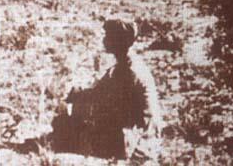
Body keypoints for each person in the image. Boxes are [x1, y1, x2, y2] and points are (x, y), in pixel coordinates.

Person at [50, 18, 164, 160]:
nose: (105, 40)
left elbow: (150, 118)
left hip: (135, 141)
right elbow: (98, 92)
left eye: (108, 36)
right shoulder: (122, 66)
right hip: (128, 133)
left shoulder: (131, 71)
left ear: (119, 40)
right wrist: (76, 94)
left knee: (68, 134)